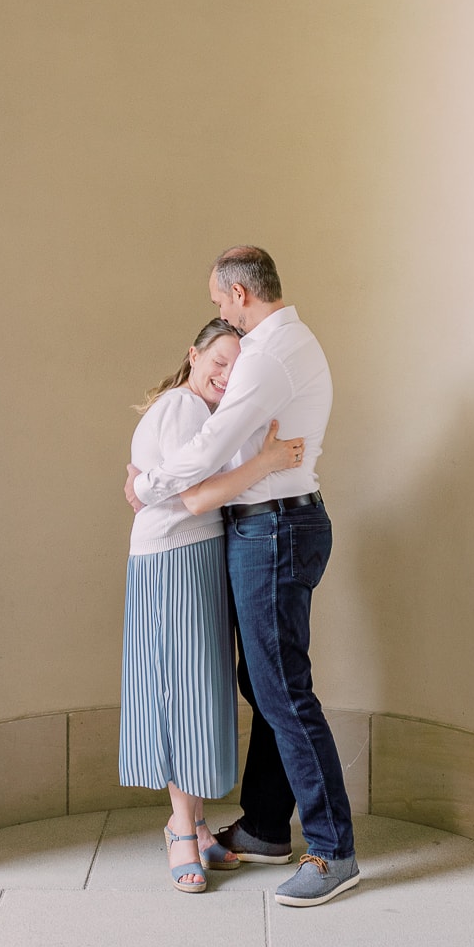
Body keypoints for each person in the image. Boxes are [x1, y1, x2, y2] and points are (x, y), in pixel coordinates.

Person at [125, 246, 359, 909]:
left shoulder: (268, 351)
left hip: (276, 526)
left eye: (220, 299)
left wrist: (147, 482)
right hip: (275, 521)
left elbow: (212, 447)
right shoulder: (285, 342)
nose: (219, 312)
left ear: (238, 293)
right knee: (260, 680)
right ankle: (263, 825)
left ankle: (333, 847)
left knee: (283, 689)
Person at [119, 316, 305, 894]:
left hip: (194, 559)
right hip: (174, 558)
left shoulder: (203, 415)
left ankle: (195, 826)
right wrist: (270, 462)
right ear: (193, 356)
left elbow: (185, 489)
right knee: (185, 689)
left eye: (236, 365)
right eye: (217, 361)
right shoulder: (180, 408)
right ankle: (181, 828)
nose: (226, 374)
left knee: (197, 687)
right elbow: (198, 499)